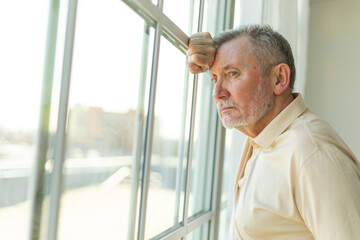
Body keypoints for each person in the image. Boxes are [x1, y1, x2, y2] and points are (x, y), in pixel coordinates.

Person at [187, 25, 360, 240]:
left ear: (279, 79)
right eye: (214, 78)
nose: (217, 93)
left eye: (232, 73)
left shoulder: (313, 154)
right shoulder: (261, 137)